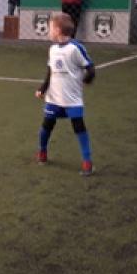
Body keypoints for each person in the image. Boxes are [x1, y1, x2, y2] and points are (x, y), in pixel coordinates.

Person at [35, 12, 96, 176]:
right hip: (54, 98)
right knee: (47, 125)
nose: (48, 31)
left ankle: (87, 161)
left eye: (50, 28)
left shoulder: (75, 48)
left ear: (57, 30)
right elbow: (50, 71)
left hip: (72, 99)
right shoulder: (52, 49)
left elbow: (90, 67)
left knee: (78, 126)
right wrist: (43, 88)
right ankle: (42, 151)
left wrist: (88, 78)